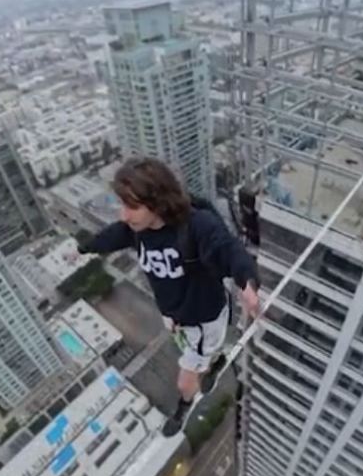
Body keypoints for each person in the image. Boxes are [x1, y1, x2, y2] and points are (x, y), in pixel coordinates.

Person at [77, 158, 260, 436]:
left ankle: (185, 405)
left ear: (158, 203)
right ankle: (215, 357)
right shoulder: (139, 229)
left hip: (202, 320)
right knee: (192, 349)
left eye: (132, 206)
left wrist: (247, 281)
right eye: (123, 205)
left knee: (185, 380)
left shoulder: (197, 227)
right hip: (175, 314)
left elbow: (227, 248)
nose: (124, 215)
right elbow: (115, 234)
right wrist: (86, 247)